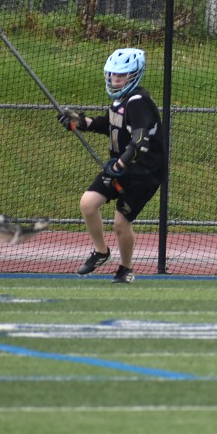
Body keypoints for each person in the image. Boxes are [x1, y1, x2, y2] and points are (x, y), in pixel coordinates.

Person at [59, 48, 165, 283]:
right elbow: (106, 124)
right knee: (88, 204)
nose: (116, 79)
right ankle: (101, 252)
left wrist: (119, 164)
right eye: (113, 74)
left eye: (122, 75)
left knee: (120, 223)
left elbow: (140, 141)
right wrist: (78, 121)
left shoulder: (139, 102)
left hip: (144, 173)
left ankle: (125, 269)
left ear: (134, 75)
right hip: (120, 167)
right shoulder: (120, 101)